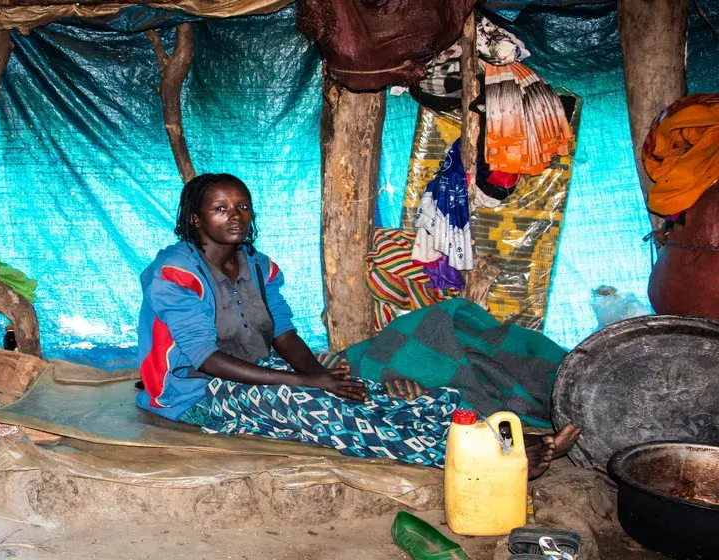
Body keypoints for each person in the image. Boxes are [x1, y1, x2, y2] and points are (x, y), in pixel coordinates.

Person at [136, 173, 575, 475]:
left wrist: (319, 374)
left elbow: (284, 333)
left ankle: (491, 437)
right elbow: (205, 359)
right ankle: (489, 459)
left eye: (243, 207)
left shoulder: (256, 265)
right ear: (196, 219)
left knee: (370, 393)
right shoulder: (176, 273)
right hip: (196, 392)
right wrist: (309, 386)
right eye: (220, 208)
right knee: (323, 413)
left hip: (258, 369)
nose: (235, 216)